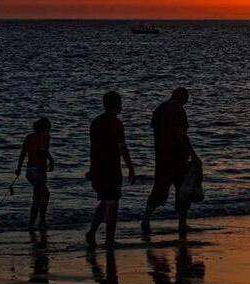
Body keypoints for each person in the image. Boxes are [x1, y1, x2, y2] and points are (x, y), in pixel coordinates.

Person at [141, 87, 201, 240]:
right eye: (185, 99)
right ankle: (182, 224)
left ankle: (146, 218)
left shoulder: (159, 109)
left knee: (159, 190)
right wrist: (193, 154)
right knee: (183, 191)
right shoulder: (178, 110)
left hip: (161, 158)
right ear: (183, 98)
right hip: (178, 158)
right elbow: (181, 134)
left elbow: (155, 131)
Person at [86, 91, 136, 248]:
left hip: (98, 169)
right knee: (112, 205)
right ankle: (109, 240)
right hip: (111, 169)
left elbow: (93, 149)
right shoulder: (115, 123)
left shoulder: (95, 122)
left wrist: (92, 169)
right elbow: (122, 147)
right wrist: (131, 167)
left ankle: (92, 232)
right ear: (117, 104)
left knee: (104, 202)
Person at [16, 117, 54, 231]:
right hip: (39, 170)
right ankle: (36, 223)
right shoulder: (45, 136)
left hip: (30, 170)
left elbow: (23, 153)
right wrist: (52, 160)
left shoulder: (29, 137)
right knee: (40, 197)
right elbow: (43, 150)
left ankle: (37, 223)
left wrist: (18, 168)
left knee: (41, 195)